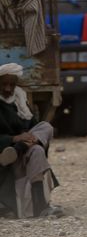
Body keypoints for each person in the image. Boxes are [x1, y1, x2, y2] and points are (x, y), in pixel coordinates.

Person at [0, 64, 60, 218]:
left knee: (45, 129)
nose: (7, 89)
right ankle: (40, 207)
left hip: (21, 152)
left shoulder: (20, 100)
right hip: (4, 157)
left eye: (11, 85)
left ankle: (41, 207)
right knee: (37, 148)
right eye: (4, 84)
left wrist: (25, 141)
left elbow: (34, 127)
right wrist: (14, 138)